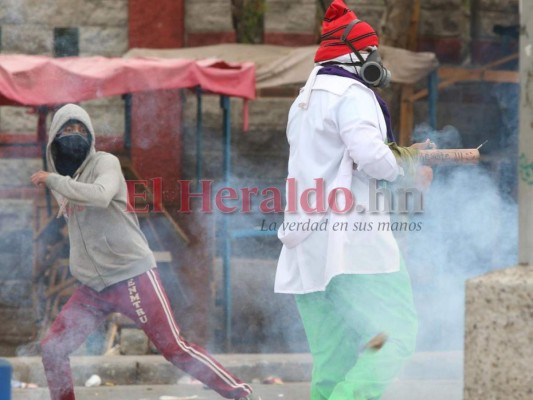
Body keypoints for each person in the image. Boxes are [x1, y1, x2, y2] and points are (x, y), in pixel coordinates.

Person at [31, 103, 259, 400]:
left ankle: (241, 393)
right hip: (94, 285)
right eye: (66, 130)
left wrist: (53, 179)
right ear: (53, 139)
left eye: (80, 130)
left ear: (91, 136)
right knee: (53, 348)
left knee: (174, 347)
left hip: (131, 275)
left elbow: (100, 196)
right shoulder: (64, 181)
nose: (74, 136)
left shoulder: (105, 163)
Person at [275, 1, 433, 399]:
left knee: (334, 357)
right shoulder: (352, 93)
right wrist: (407, 167)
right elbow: (370, 156)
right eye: (373, 52)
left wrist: (402, 157)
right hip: (352, 245)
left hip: (307, 245)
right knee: (395, 335)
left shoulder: (305, 99)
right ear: (358, 56)